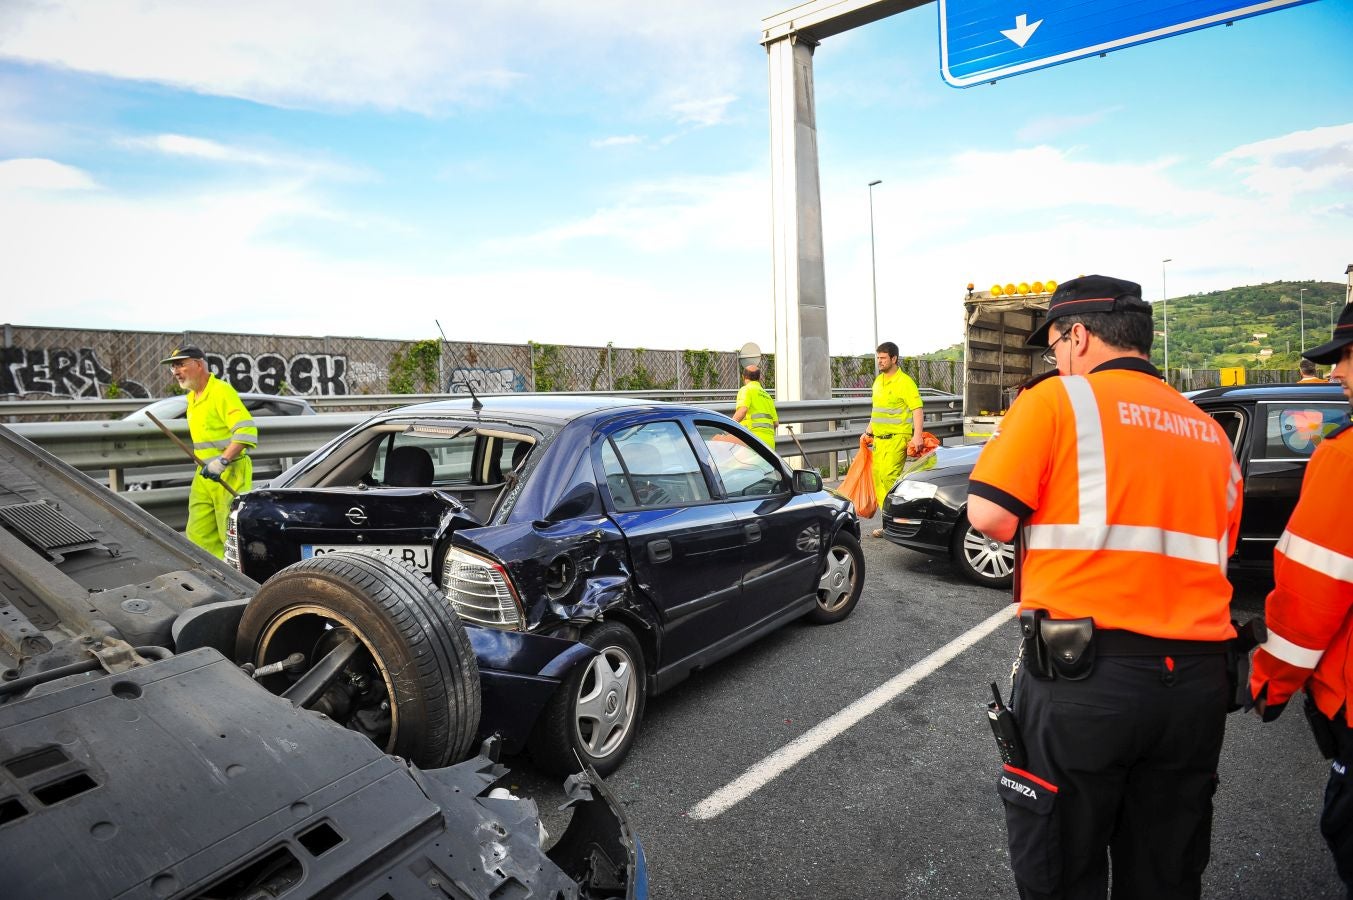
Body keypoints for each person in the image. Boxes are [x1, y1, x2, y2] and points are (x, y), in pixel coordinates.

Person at [966, 275, 1243, 900]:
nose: (1057, 359)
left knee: (1064, 866)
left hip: (1086, 679)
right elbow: (1218, 551)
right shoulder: (1209, 432)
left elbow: (988, 516)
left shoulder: (1058, 402)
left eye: (1056, 346)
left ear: (1080, 335)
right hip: (1196, 686)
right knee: (1165, 873)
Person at [1248, 303, 1353, 891]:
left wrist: (1268, 683)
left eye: (1344, 358)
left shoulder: (1345, 457)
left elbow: (1311, 597)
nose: (1335, 373)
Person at [160, 346, 257, 558]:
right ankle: (214, 577)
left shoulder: (221, 392)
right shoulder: (192, 398)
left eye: (181, 364)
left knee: (229, 531)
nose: (176, 371)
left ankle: (239, 580)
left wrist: (222, 461)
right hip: (204, 474)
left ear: (198, 364)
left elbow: (246, 430)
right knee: (198, 532)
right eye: (173, 367)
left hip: (230, 471)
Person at [864, 342, 924, 538]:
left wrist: (917, 436)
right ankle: (888, 524)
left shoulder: (905, 382)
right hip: (879, 441)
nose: (879, 361)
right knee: (880, 481)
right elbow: (876, 411)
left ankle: (901, 521)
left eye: (883, 358)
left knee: (890, 479)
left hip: (897, 438)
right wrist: (868, 431)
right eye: (878, 358)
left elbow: (917, 409)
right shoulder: (878, 382)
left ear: (894, 359)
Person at [733, 364, 778, 449]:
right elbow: (775, 423)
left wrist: (728, 427)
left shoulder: (746, 390)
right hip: (770, 443)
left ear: (743, 377)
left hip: (752, 440)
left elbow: (742, 410)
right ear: (759, 378)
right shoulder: (767, 396)